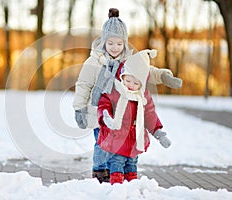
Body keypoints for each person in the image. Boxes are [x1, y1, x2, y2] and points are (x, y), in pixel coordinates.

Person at [73, 8, 181, 183]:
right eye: (110, 43)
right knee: (102, 144)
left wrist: (162, 76)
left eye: (119, 44)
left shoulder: (128, 61)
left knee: (115, 144)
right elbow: (83, 86)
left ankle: (113, 170)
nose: (115, 48)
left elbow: (144, 71)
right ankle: (99, 171)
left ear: (124, 43)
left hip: (121, 113)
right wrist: (79, 109)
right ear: (103, 42)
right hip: (100, 111)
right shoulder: (94, 61)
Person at [97, 49, 171, 185]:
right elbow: (103, 103)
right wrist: (105, 116)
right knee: (117, 164)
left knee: (131, 166)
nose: (131, 86)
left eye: (136, 83)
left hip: (134, 141)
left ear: (142, 84)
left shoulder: (143, 97)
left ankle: (132, 188)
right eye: (128, 80)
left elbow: (150, 114)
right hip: (117, 138)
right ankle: (117, 189)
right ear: (122, 76)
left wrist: (158, 132)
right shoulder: (115, 91)